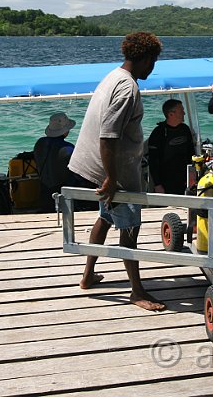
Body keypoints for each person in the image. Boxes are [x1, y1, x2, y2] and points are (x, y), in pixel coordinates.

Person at [68, 31, 165, 311]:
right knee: (131, 227)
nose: (153, 67)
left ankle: (87, 276)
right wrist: (112, 179)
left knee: (106, 218)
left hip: (107, 168)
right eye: (153, 61)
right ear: (145, 58)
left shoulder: (113, 76)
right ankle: (137, 291)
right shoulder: (127, 87)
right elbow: (108, 135)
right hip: (118, 171)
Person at [147, 99, 195, 195]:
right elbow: (153, 161)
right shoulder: (158, 133)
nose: (184, 113)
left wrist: (193, 175)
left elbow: (191, 153)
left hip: (184, 179)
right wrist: (157, 184)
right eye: (181, 111)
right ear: (171, 114)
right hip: (165, 181)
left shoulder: (185, 129)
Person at [33, 112, 76, 212]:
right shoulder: (68, 148)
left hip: (44, 193)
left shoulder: (40, 143)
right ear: (65, 131)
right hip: (63, 193)